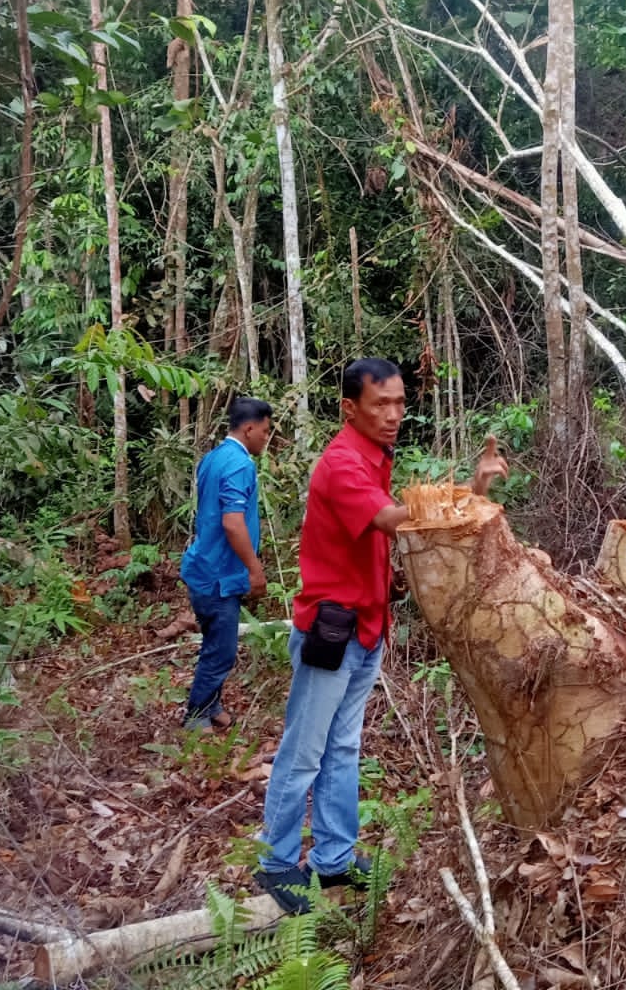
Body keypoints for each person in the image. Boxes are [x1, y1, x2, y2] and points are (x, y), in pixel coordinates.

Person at [254, 358, 507, 912]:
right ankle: (275, 863)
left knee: (342, 748)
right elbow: (399, 521)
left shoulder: (375, 458)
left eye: (399, 403)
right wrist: (471, 495)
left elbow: (389, 526)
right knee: (304, 751)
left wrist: (476, 487)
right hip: (333, 633)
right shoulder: (343, 464)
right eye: (380, 404)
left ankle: (333, 858)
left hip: (367, 628)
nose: (394, 415)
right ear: (350, 408)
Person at [179, 396, 274, 732]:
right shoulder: (239, 465)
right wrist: (255, 569)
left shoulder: (213, 458)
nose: (267, 437)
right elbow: (233, 523)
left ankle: (212, 704)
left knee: (216, 642)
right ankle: (196, 714)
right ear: (248, 429)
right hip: (218, 574)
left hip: (205, 566)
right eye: (265, 431)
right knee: (221, 650)